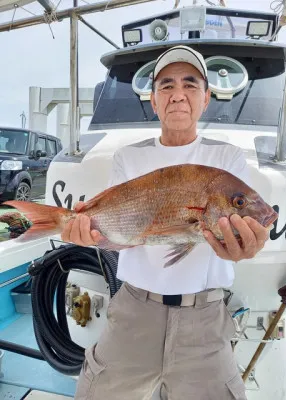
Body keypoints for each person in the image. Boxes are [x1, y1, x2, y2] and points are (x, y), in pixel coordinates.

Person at [62, 45, 269, 400]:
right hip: (133, 312)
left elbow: (238, 228)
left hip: (204, 319)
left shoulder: (227, 157)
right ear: (154, 101)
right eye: (166, 86)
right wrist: (88, 232)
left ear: (206, 99)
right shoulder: (129, 157)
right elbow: (124, 233)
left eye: (190, 85)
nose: (178, 95)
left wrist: (249, 245)